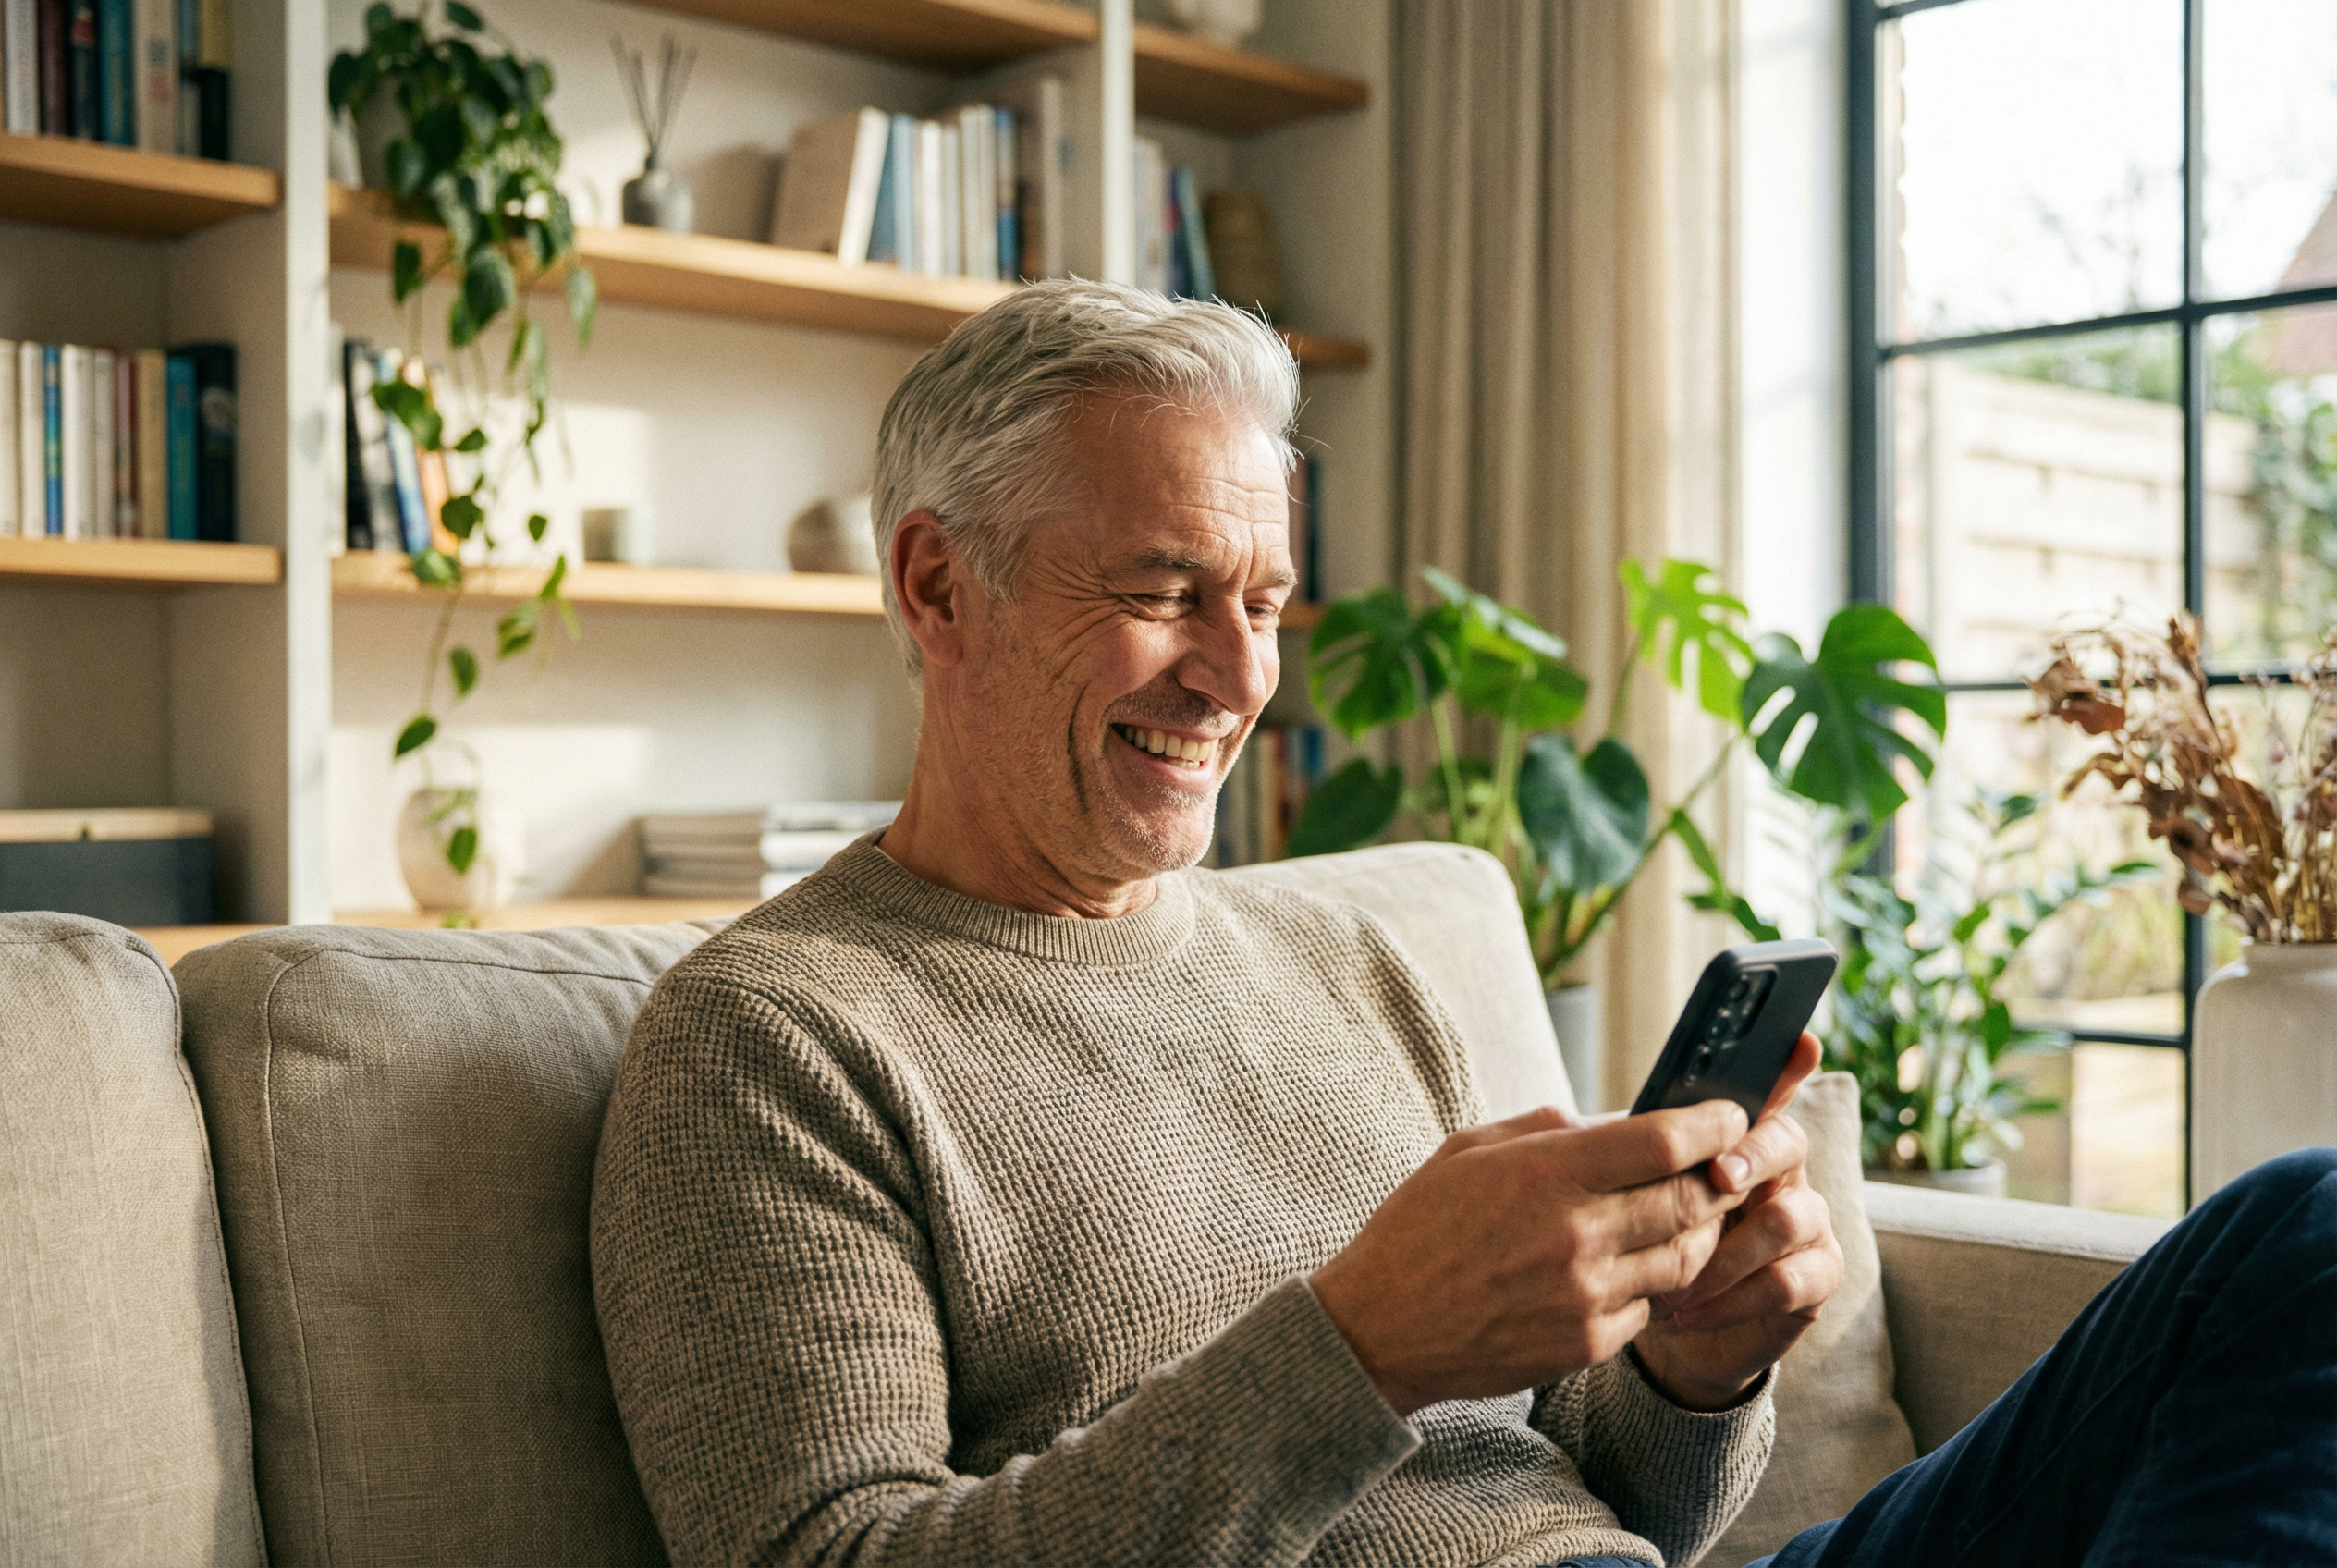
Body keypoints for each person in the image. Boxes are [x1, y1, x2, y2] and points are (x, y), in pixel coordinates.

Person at [591, 280, 2337, 1568]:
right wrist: (1359, 1345)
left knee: (2305, 1230)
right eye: (1163, 591)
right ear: (935, 584)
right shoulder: (777, 1039)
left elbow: (1601, 1489)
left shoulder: (1351, 956)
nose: (1237, 675)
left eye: (1265, 603)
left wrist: (1693, 1371)